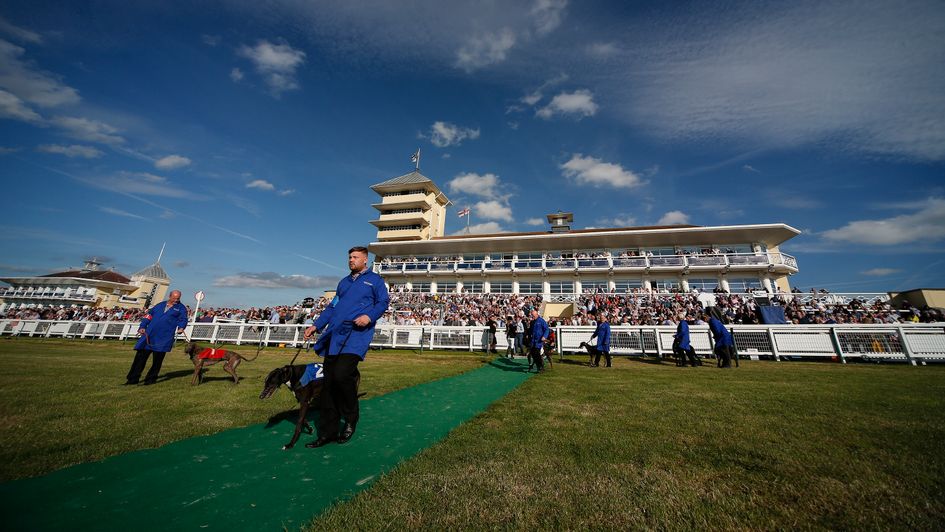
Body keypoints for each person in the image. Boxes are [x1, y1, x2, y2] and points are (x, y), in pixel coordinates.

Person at [303, 246, 390, 447]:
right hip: (335, 335)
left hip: (357, 336)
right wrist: (316, 325)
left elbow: (383, 302)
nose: (351, 260)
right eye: (349, 257)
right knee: (329, 384)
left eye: (355, 257)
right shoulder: (343, 283)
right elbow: (332, 307)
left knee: (342, 375)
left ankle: (351, 418)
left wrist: (369, 316)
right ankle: (328, 432)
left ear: (365, 260)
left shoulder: (375, 280)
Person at [125, 289, 188, 385]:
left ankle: (150, 380)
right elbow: (149, 316)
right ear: (170, 296)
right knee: (139, 359)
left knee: (157, 361)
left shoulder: (181, 308)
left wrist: (181, 327)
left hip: (164, 338)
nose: (176, 300)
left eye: (178, 298)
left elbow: (183, 319)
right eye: (174, 298)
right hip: (149, 335)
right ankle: (132, 379)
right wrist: (142, 326)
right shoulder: (159, 305)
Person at [527, 307, 549, 372]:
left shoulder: (541, 321)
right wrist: (528, 335)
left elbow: (546, 329)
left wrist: (544, 336)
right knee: (533, 354)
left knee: (537, 354)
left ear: (537, 315)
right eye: (532, 316)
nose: (532, 317)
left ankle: (541, 367)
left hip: (539, 340)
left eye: (533, 316)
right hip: (533, 340)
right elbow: (531, 330)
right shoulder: (532, 322)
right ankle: (538, 366)